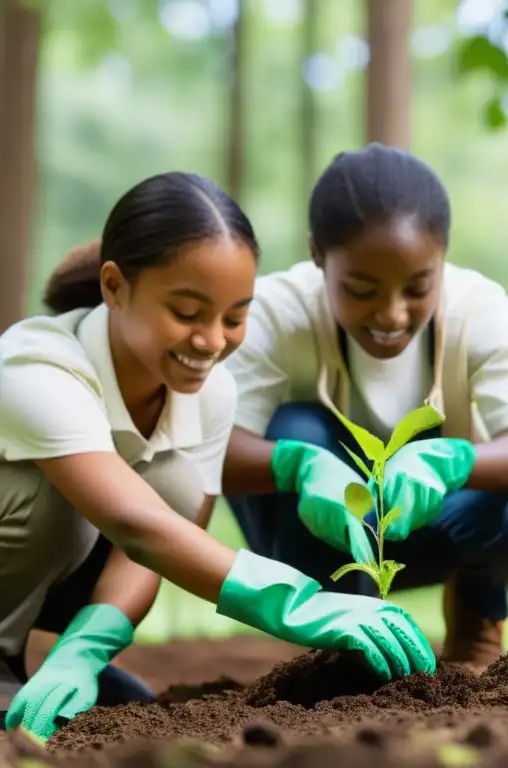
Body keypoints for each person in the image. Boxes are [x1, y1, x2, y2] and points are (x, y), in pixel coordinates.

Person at [0, 172, 433, 742]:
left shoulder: (209, 390)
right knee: (65, 496)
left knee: (174, 487)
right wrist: (302, 605)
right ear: (114, 286)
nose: (210, 342)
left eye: (233, 317)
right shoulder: (37, 368)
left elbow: (162, 536)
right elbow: (136, 525)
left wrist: (84, 652)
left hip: (41, 594)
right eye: (186, 312)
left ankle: (38, 663)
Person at [222, 143, 508, 672]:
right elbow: (216, 451)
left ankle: (477, 613)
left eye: (417, 287)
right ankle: (346, 628)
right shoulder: (277, 311)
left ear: (443, 256)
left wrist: (451, 461)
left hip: (432, 522)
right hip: (311, 532)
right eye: (362, 289)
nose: (391, 314)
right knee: (295, 427)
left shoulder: (479, 309)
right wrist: (297, 464)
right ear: (318, 254)